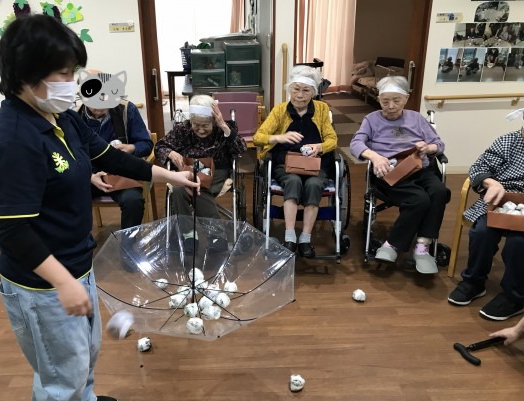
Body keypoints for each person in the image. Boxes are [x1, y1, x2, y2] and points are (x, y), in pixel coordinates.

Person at [0, 14, 199, 401]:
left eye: (72, 72)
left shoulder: (60, 116)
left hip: (78, 259)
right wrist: (62, 282)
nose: (72, 82)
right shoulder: (11, 140)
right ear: (27, 74)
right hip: (41, 281)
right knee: (61, 374)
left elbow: (109, 156)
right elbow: (10, 230)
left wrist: (170, 176)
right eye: (63, 73)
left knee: (84, 351)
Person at [350, 76, 450, 274]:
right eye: (385, 101)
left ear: (406, 99)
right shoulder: (372, 119)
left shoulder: (417, 119)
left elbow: (438, 145)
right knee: (420, 200)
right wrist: (375, 157)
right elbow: (356, 143)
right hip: (390, 172)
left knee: (440, 192)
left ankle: (422, 245)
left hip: (420, 168)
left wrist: (428, 147)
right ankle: (392, 245)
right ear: (379, 100)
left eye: (396, 100)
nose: (390, 106)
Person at [253, 65, 337, 258]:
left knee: (314, 185)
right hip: (286, 164)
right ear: (289, 89)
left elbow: (332, 140)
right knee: (293, 181)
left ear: (313, 92)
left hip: (315, 164)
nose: (300, 95)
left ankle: (305, 239)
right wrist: (279, 137)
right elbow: (258, 137)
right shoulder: (280, 110)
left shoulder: (322, 109)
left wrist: (319, 147)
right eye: (296, 89)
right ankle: (290, 237)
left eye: (306, 90)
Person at [447, 117, 524, 321]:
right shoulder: (509, 141)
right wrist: (492, 183)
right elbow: (479, 167)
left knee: (518, 243)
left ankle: (515, 297)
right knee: (482, 232)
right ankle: (473, 282)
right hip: (499, 199)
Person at [154, 94, 246, 251]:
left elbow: (241, 148)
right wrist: (170, 153)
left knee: (195, 188)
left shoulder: (223, 128)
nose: (201, 129)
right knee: (179, 189)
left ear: (214, 121)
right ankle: (199, 235)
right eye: (196, 125)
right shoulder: (182, 129)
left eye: (206, 125)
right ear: (190, 120)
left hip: (216, 172)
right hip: (188, 170)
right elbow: (159, 147)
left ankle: (207, 235)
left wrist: (224, 126)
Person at [78, 98, 153, 229]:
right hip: (89, 175)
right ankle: (80, 241)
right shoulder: (74, 115)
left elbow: (146, 144)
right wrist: (89, 176)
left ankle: (127, 241)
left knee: (133, 201)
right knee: (69, 199)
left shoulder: (126, 109)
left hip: (121, 175)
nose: (99, 106)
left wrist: (131, 148)